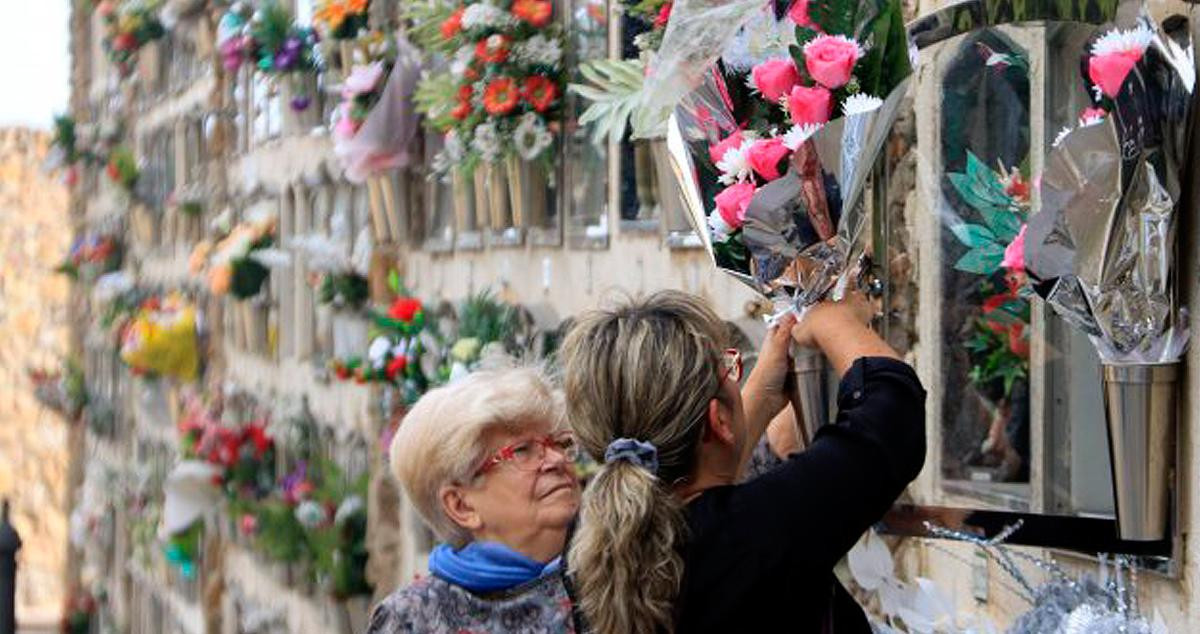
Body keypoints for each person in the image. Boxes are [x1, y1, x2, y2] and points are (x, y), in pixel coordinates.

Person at [560, 290, 926, 634]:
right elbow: (890, 416)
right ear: (719, 421)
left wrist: (759, 399)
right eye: (729, 369)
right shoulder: (760, 530)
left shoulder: (593, 541)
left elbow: (701, 492)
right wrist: (835, 321)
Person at [367, 367, 582, 633]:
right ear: (461, 505)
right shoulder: (413, 620)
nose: (557, 459)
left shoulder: (618, 579)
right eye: (523, 450)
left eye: (558, 443)